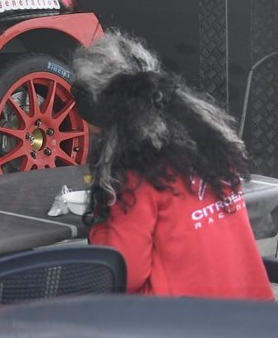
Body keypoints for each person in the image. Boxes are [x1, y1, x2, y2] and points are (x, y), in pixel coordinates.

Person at [70, 29, 273, 300]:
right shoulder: (214, 150)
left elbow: (125, 273)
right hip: (251, 313)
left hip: (183, 316)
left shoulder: (139, 176)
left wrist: (99, 226)